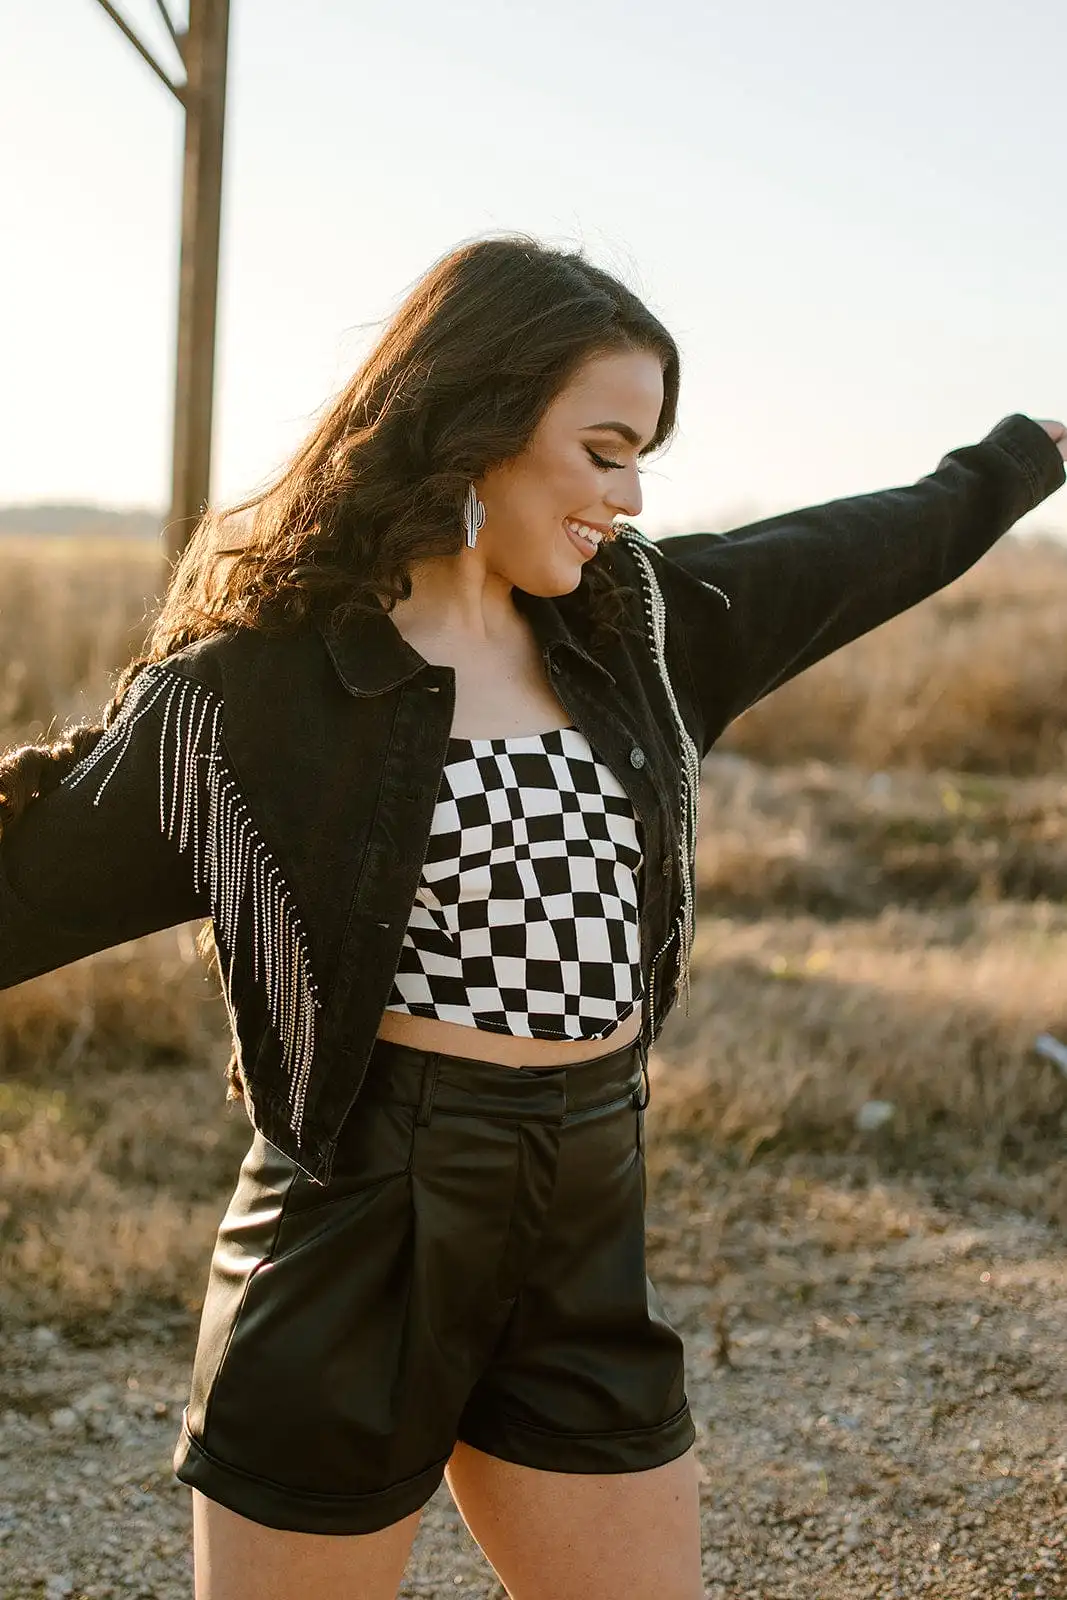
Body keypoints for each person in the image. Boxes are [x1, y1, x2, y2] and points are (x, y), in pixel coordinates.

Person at [0, 234, 1063, 1600]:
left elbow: (863, 548)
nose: (623, 498)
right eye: (603, 447)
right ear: (481, 424)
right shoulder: (250, 695)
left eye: (642, 460)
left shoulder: (643, 630)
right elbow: (27, 888)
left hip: (584, 1197)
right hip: (364, 1226)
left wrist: (1029, 449)